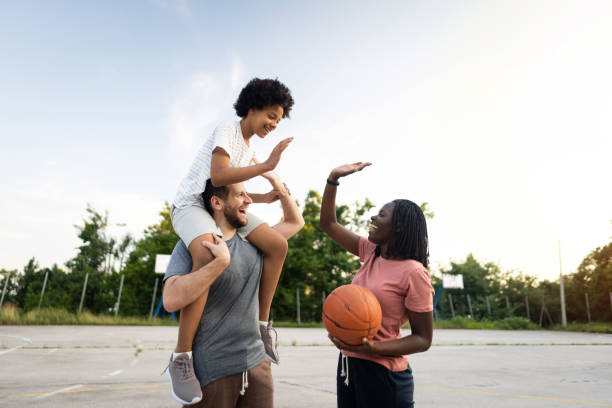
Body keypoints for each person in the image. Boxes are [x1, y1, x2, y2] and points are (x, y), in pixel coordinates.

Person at [168, 78, 294, 403]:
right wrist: (266, 166)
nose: (273, 125)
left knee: (277, 245)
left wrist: (265, 197)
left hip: (219, 202)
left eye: (278, 121)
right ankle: (181, 356)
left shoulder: (247, 146)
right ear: (252, 108)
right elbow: (218, 176)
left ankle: (262, 324)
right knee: (210, 255)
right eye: (270, 115)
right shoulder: (228, 129)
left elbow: (232, 190)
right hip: (193, 203)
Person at [163, 171, 304, 407]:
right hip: (212, 370)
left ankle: (263, 328)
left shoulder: (255, 242)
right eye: (240, 195)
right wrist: (218, 264)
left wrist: (278, 185)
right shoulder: (192, 245)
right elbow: (170, 299)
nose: (248, 200)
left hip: (257, 365)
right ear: (217, 203)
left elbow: (294, 222)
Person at [319, 162, 434, 408]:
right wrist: (333, 179)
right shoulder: (371, 252)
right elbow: (328, 224)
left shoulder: (414, 273)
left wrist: (374, 348)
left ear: (398, 227)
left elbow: (423, 339)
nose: (373, 217)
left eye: (382, 215)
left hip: (384, 374)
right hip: (349, 366)